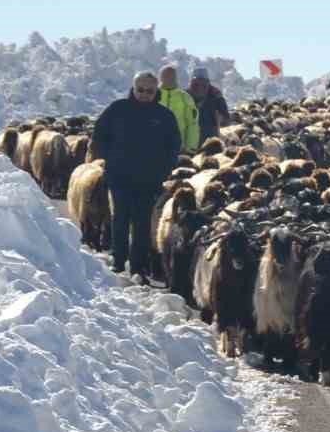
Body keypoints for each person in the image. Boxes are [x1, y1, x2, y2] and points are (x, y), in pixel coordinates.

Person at [92, 71, 182, 285]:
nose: (144, 94)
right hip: (119, 175)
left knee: (142, 222)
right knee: (120, 217)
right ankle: (118, 260)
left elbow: (173, 144)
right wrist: (107, 158)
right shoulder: (118, 109)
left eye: (149, 91)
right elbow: (99, 134)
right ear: (133, 89)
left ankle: (138, 266)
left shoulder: (164, 116)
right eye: (140, 90)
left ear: (156, 91)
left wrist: (164, 169)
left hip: (149, 179)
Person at [156, 65, 200, 152]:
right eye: (166, 76)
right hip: (154, 147)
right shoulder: (152, 95)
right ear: (160, 78)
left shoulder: (185, 98)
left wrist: (191, 148)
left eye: (171, 76)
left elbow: (192, 124)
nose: (169, 78)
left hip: (178, 149)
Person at [188, 66, 231, 142]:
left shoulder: (185, 95)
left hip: (191, 140)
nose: (200, 87)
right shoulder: (216, 95)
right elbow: (226, 119)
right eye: (196, 84)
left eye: (202, 83)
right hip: (211, 141)